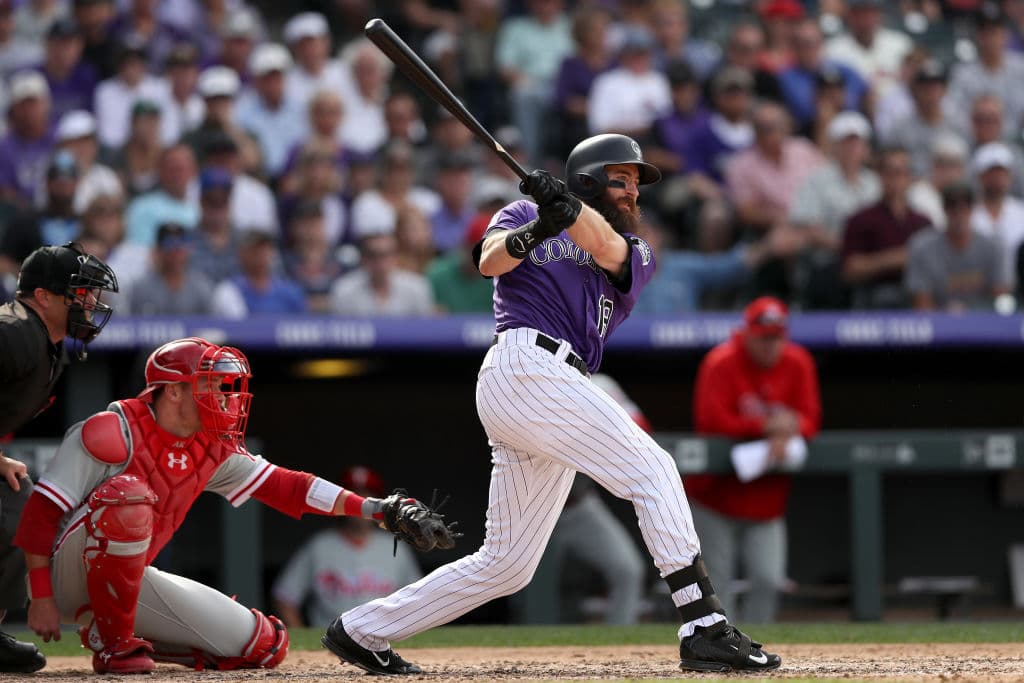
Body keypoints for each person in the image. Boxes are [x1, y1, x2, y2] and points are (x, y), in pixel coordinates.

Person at [321, 133, 782, 675]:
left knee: (507, 566)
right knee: (654, 468)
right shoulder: (522, 211)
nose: (634, 191)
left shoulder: (639, 250)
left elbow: (605, 246)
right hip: (524, 364)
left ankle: (360, 630)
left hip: (554, 383)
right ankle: (703, 624)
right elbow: (490, 263)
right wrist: (540, 222)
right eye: (623, 178)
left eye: (637, 182)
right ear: (588, 177)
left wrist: (568, 209)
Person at [13, 336, 455, 674]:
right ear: (173, 391)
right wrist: (42, 598)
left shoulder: (212, 448)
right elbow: (42, 512)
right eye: (210, 386)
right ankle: (115, 647)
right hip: (65, 570)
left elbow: (288, 486)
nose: (225, 397)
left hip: (125, 583)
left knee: (266, 646)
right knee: (127, 496)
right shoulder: (112, 430)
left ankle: (113, 632)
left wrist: (375, 509)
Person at [0, 241, 117, 672]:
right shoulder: (13, 333)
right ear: (44, 297)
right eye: (80, 293)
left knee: (18, 504)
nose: (91, 302)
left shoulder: (43, 342)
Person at [688, 297, 821, 623]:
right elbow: (710, 422)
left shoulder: (798, 362)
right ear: (746, 333)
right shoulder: (721, 362)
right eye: (763, 337)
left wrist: (790, 428)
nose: (769, 345)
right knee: (718, 587)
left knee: (768, 580)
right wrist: (764, 426)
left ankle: (758, 651)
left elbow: (810, 419)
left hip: (766, 499)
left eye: (776, 337)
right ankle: (725, 650)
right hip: (715, 497)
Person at [272, 466, 423, 628]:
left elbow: (418, 600)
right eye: (354, 495)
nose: (362, 502)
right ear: (338, 503)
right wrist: (306, 641)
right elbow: (284, 597)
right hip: (330, 642)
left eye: (368, 495)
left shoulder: (396, 547)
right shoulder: (319, 546)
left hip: (384, 638)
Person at [905, 181, 1010, 311]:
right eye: (952, 207)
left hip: (985, 325)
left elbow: (1002, 301)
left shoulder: (994, 247)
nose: (959, 214)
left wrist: (970, 312)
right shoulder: (922, 247)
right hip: (938, 325)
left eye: (965, 207)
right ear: (944, 209)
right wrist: (948, 316)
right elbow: (921, 304)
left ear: (973, 209)